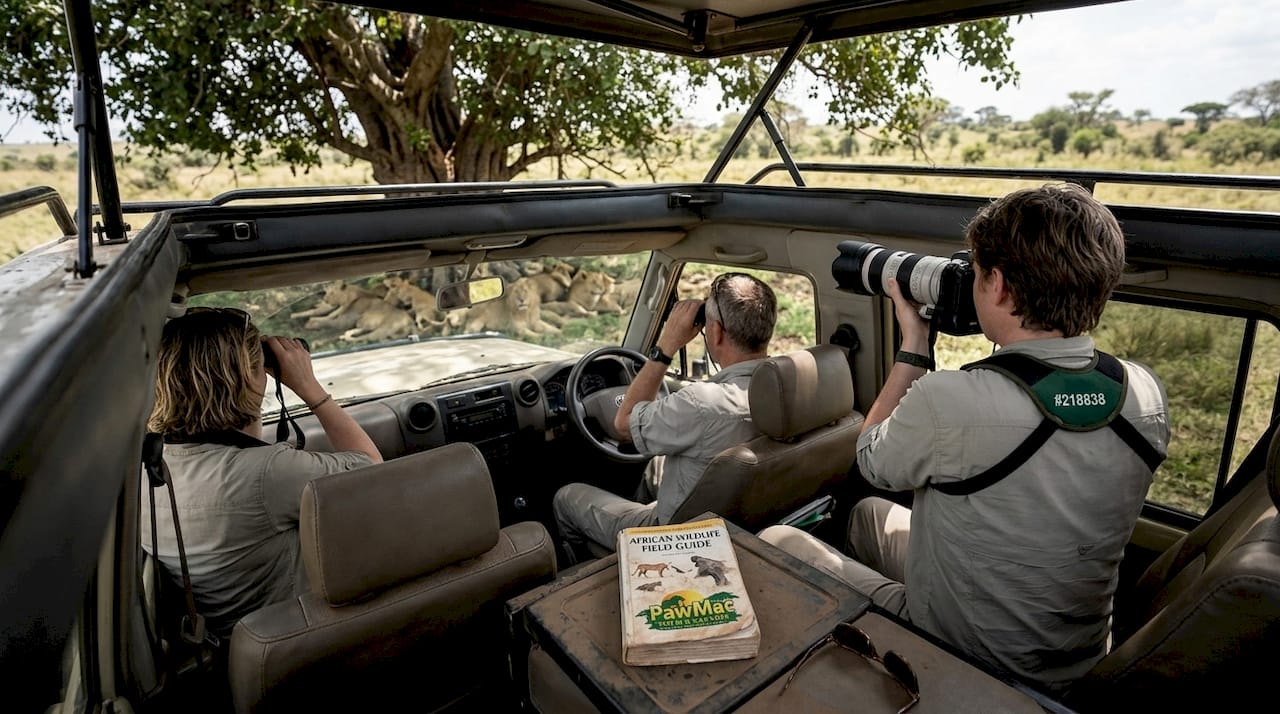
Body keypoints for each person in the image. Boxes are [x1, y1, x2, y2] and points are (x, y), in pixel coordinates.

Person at [760, 183, 1170, 693]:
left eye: (975, 273)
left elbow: (870, 460)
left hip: (967, 654)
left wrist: (913, 345)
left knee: (775, 540)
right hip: (1078, 654)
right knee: (868, 516)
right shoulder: (1145, 392)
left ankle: (873, 660)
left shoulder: (954, 400)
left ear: (996, 285)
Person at [142, 306, 383, 637]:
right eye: (257, 365)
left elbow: (237, 443)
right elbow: (371, 470)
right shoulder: (266, 473)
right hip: (304, 637)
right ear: (244, 380)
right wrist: (308, 385)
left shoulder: (150, 470)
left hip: (236, 644)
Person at [553, 272, 778, 558]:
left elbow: (624, 423)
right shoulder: (784, 388)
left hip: (674, 536)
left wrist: (668, 345)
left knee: (566, 497)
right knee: (654, 466)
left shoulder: (700, 404)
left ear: (717, 332)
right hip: (741, 514)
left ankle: (597, 576)